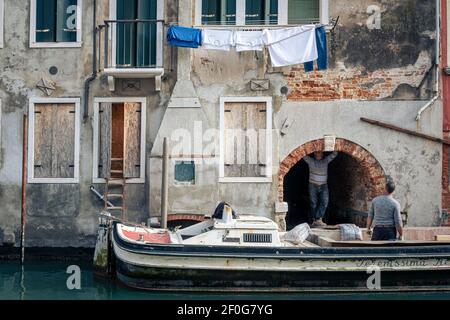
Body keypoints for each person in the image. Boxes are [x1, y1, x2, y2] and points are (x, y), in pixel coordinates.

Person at [303, 151, 338, 227]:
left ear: (322, 154)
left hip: (323, 185)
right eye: (317, 153)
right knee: (313, 203)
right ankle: (314, 220)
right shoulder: (311, 161)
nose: (319, 154)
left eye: (320, 153)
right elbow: (302, 154)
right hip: (313, 185)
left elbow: (334, 154)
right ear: (314, 154)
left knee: (325, 202)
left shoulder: (325, 161)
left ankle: (318, 219)